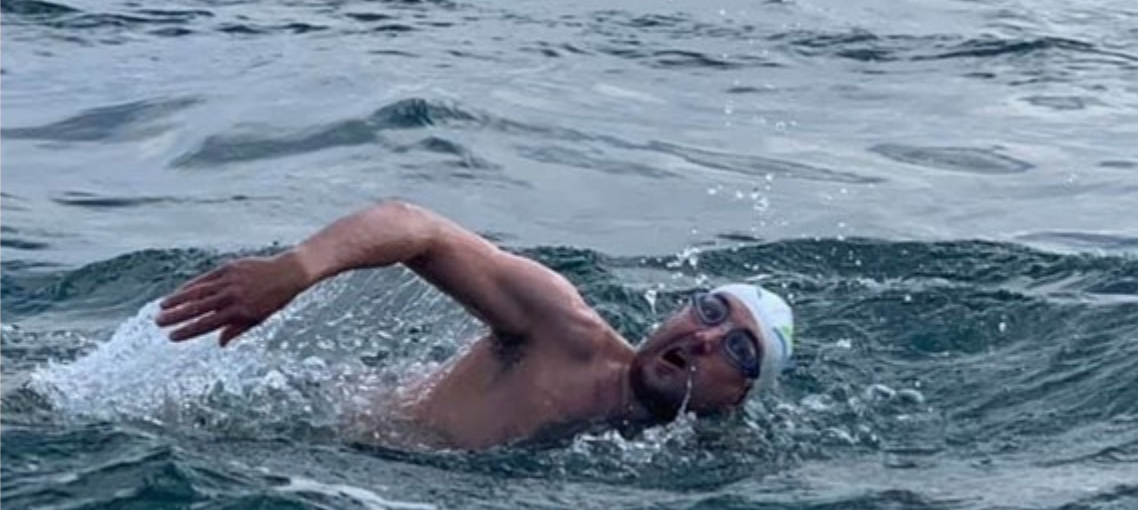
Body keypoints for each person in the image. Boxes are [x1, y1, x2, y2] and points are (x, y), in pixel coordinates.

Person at [156, 199, 794, 449]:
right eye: (709, 311)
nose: (707, 337)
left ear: (739, 398)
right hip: (319, 436)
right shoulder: (560, 330)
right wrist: (297, 269)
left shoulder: (691, 463)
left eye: (738, 348)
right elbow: (419, 230)